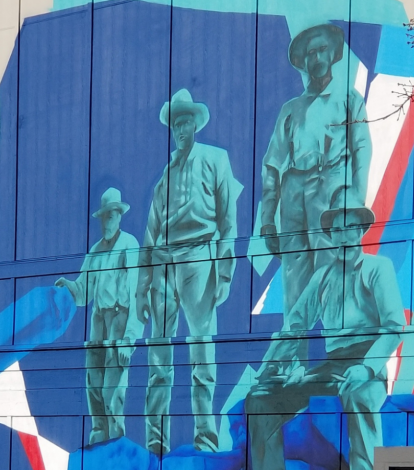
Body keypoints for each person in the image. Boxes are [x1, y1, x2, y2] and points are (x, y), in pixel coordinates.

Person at [246, 206, 405, 470]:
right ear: (331, 235)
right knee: (260, 399)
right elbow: (294, 326)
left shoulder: (378, 268)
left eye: (350, 228)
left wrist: (367, 368)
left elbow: (394, 325)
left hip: (366, 365)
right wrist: (269, 368)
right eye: (337, 230)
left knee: (360, 398)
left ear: (360, 231)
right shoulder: (322, 277)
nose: (343, 236)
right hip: (331, 368)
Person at [136, 88, 242, 455]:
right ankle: (156, 442)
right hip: (164, 265)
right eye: (176, 123)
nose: (182, 128)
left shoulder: (216, 159)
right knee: (159, 358)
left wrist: (224, 272)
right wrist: (141, 290)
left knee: (201, 350)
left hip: (199, 259)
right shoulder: (164, 177)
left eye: (187, 121)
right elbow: (149, 236)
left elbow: (229, 223)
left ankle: (206, 439)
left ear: (196, 123)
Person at [259, 23, 372, 314]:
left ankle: (338, 351)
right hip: (294, 191)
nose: (317, 57)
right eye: (310, 53)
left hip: (331, 188)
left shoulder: (349, 99)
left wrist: (357, 201)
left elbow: (362, 148)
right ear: (304, 62)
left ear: (333, 53)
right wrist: (267, 219)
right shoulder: (291, 108)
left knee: (332, 272)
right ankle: (294, 356)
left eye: (322, 50)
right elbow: (271, 164)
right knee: (294, 277)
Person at [56, 187, 140, 445]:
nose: (107, 222)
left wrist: (129, 338)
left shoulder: (129, 245)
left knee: (112, 393)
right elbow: (83, 292)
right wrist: (68, 286)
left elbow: (138, 293)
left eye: (111, 216)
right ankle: (98, 444)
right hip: (98, 324)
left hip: (119, 322)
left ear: (119, 216)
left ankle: (116, 447)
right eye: (104, 217)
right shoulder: (95, 251)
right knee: (93, 387)